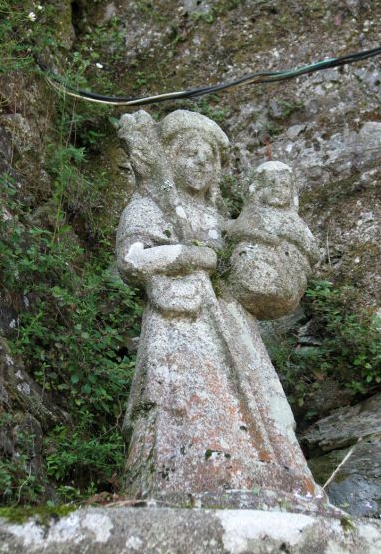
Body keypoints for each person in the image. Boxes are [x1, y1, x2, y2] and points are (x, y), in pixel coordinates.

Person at [116, 110, 323, 505]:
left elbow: (238, 262)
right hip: (180, 324)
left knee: (258, 401)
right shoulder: (148, 206)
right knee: (184, 398)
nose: (200, 164)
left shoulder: (217, 218)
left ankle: (270, 475)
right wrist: (191, 255)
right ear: (169, 158)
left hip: (232, 322)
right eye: (190, 154)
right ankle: (186, 471)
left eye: (208, 158)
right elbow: (132, 258)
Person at [226, 160, 320, 320]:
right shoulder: (253, 213)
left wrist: (290, 235)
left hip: (290, 279)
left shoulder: (294, 221)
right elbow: (235, 232)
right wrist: (263, 236)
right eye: (271, 183)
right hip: (255, 272)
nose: (278, 188)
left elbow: (313, 252)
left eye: (284, 185)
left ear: (292, 192)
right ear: (258, 189)